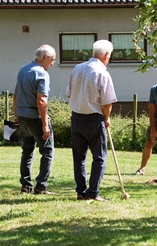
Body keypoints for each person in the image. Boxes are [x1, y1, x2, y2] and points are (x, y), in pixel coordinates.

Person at [66, 40, 117, 202]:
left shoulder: (77, 69)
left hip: (76, 117)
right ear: (106, 55)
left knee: (79, 157)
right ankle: (93, 192)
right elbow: (107, 102)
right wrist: (107, 119)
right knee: (99, 157)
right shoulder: (103, 73)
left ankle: (81, 191)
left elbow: (69, 93)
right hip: (95, 119)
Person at [13, 44, 56, 195]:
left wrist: (16, 115)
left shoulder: (23, 70)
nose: (53, 63)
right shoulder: (42, 74)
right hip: (36, 117)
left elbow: (16, 95)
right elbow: (42, 101)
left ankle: (25, 186)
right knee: (47, 152)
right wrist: (45, 125)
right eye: (52, 59)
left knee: (27, 151)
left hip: (23, 116)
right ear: (45, 58)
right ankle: (41, 186)